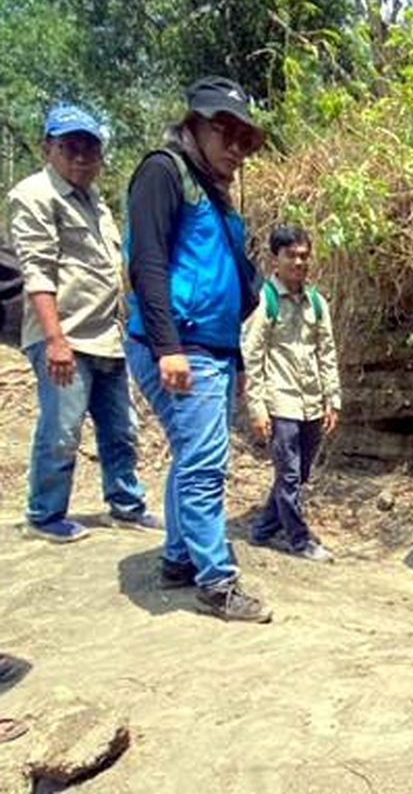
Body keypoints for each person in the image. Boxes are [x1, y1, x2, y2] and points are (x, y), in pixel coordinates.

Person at [124, 76, 270, 623]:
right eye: (224, 132)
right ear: (194, 125)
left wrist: (236, 338)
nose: (235, 147)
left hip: (209, 347)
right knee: (207, 461)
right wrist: (169, 347)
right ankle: (216, 582)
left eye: (243, 139)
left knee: (192, 454)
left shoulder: (210, 189)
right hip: (180, 346)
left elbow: (224, 270)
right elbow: (148, 264)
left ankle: (179, 559)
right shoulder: (163, 172)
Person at [6, 104, 159, 543]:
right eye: (69, 147)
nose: (80, 157)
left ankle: (126, 505)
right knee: (62, 429)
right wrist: (54, 338)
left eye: (89, 148)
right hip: (66, 337)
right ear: (47, 149)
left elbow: (111, 267)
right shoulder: (35, 195)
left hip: (107, 337)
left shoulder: (94, 201)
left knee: (121, 428)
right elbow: (37, 270)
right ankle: (44, 515)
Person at [242, 225, 340, 563]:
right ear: (276, 259)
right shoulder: (264, 301)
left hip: (311, 402)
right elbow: (252, 356)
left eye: (303, 256)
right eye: (291, 256)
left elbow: (326, 352)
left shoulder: (316, 302)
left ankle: (262, 529)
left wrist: (333, 399)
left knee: (299, 474)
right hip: (280, 402)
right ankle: (300, 541)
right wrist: (257, 408)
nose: (299, 262)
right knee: (288, 474)